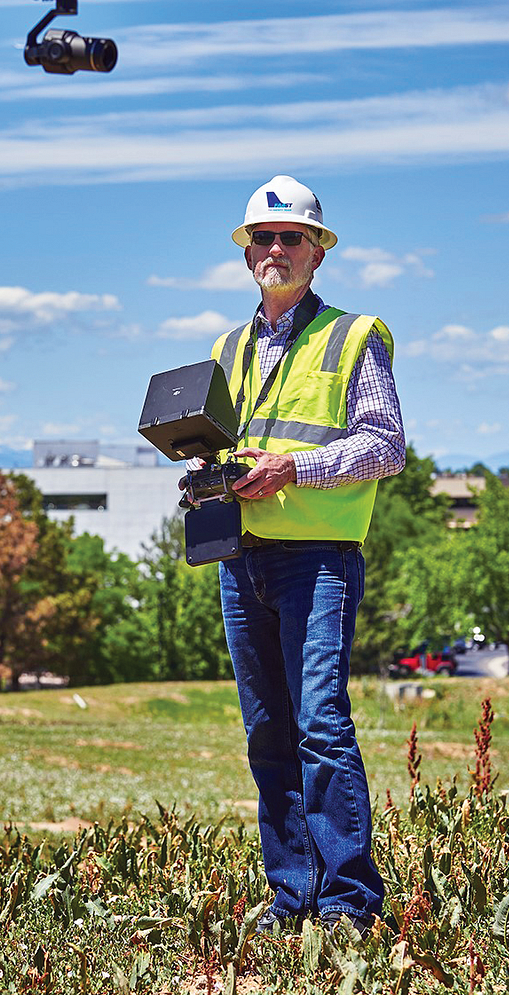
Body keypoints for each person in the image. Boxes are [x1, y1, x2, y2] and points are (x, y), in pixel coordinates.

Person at [185, 175, 405, 935]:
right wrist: (206, 476)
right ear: (248, 254)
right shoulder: (226, 348)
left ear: (318, 252)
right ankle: (291, 897)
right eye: (262, 239)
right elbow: (228, 445)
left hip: (318, 560)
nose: (275, 249)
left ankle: (349, 904)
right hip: (241, 559)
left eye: (291, 238)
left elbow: (386, 446)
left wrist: (293, 470)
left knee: (319, 724)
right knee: (266, 730)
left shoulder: (355, 335)